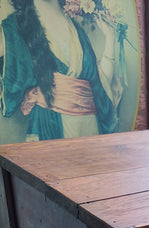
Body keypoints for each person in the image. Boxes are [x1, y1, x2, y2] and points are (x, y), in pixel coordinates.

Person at [0, 0, 124, 140]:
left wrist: (110, 39)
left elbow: (99, 89)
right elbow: (10, 85)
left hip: (90, 130)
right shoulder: (15, 27)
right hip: (50, 126)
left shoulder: (78, 29)